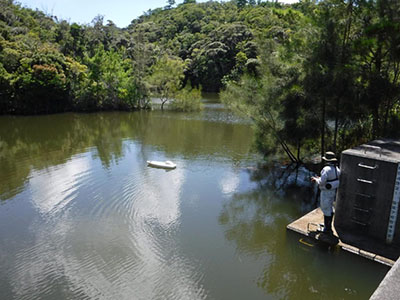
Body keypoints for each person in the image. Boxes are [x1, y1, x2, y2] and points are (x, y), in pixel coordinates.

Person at [311, 151, 340, 234]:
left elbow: (321, 182)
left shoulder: (326, 169)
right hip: (332, 191)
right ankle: (328, 226)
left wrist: (316, 179)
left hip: (326, 192)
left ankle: (327, 229)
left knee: (325, 208)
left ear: (327, 160)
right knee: (330, 207)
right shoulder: (336, 169)